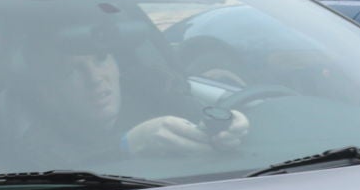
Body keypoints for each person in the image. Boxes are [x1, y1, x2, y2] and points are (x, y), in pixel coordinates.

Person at [19, 22, 248, 159]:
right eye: (72, 71)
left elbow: (196, 115)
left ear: (117, 65)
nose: (95, 79)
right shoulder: (33, 140)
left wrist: (230, 128)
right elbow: (65, 169)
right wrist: (128, 145)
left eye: (101, 59)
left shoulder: (156, 91)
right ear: (47, 91)